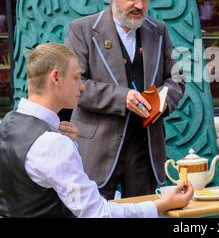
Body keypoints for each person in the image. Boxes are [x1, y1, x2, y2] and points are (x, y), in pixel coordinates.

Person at [0, 43, 193, 217]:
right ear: (56, 77)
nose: (83, 86)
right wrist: (161, 205)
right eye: (76, 77)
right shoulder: (53, 143)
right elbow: (99, 214)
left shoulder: (7, 124)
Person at [65, 0, 185, 199]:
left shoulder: (159, 30)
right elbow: (76, 85)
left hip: (145, 149)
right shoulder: (82, 30)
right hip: (96, 151)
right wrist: (122, 98)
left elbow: (177, 79)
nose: (139, 5)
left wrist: (159, 102)